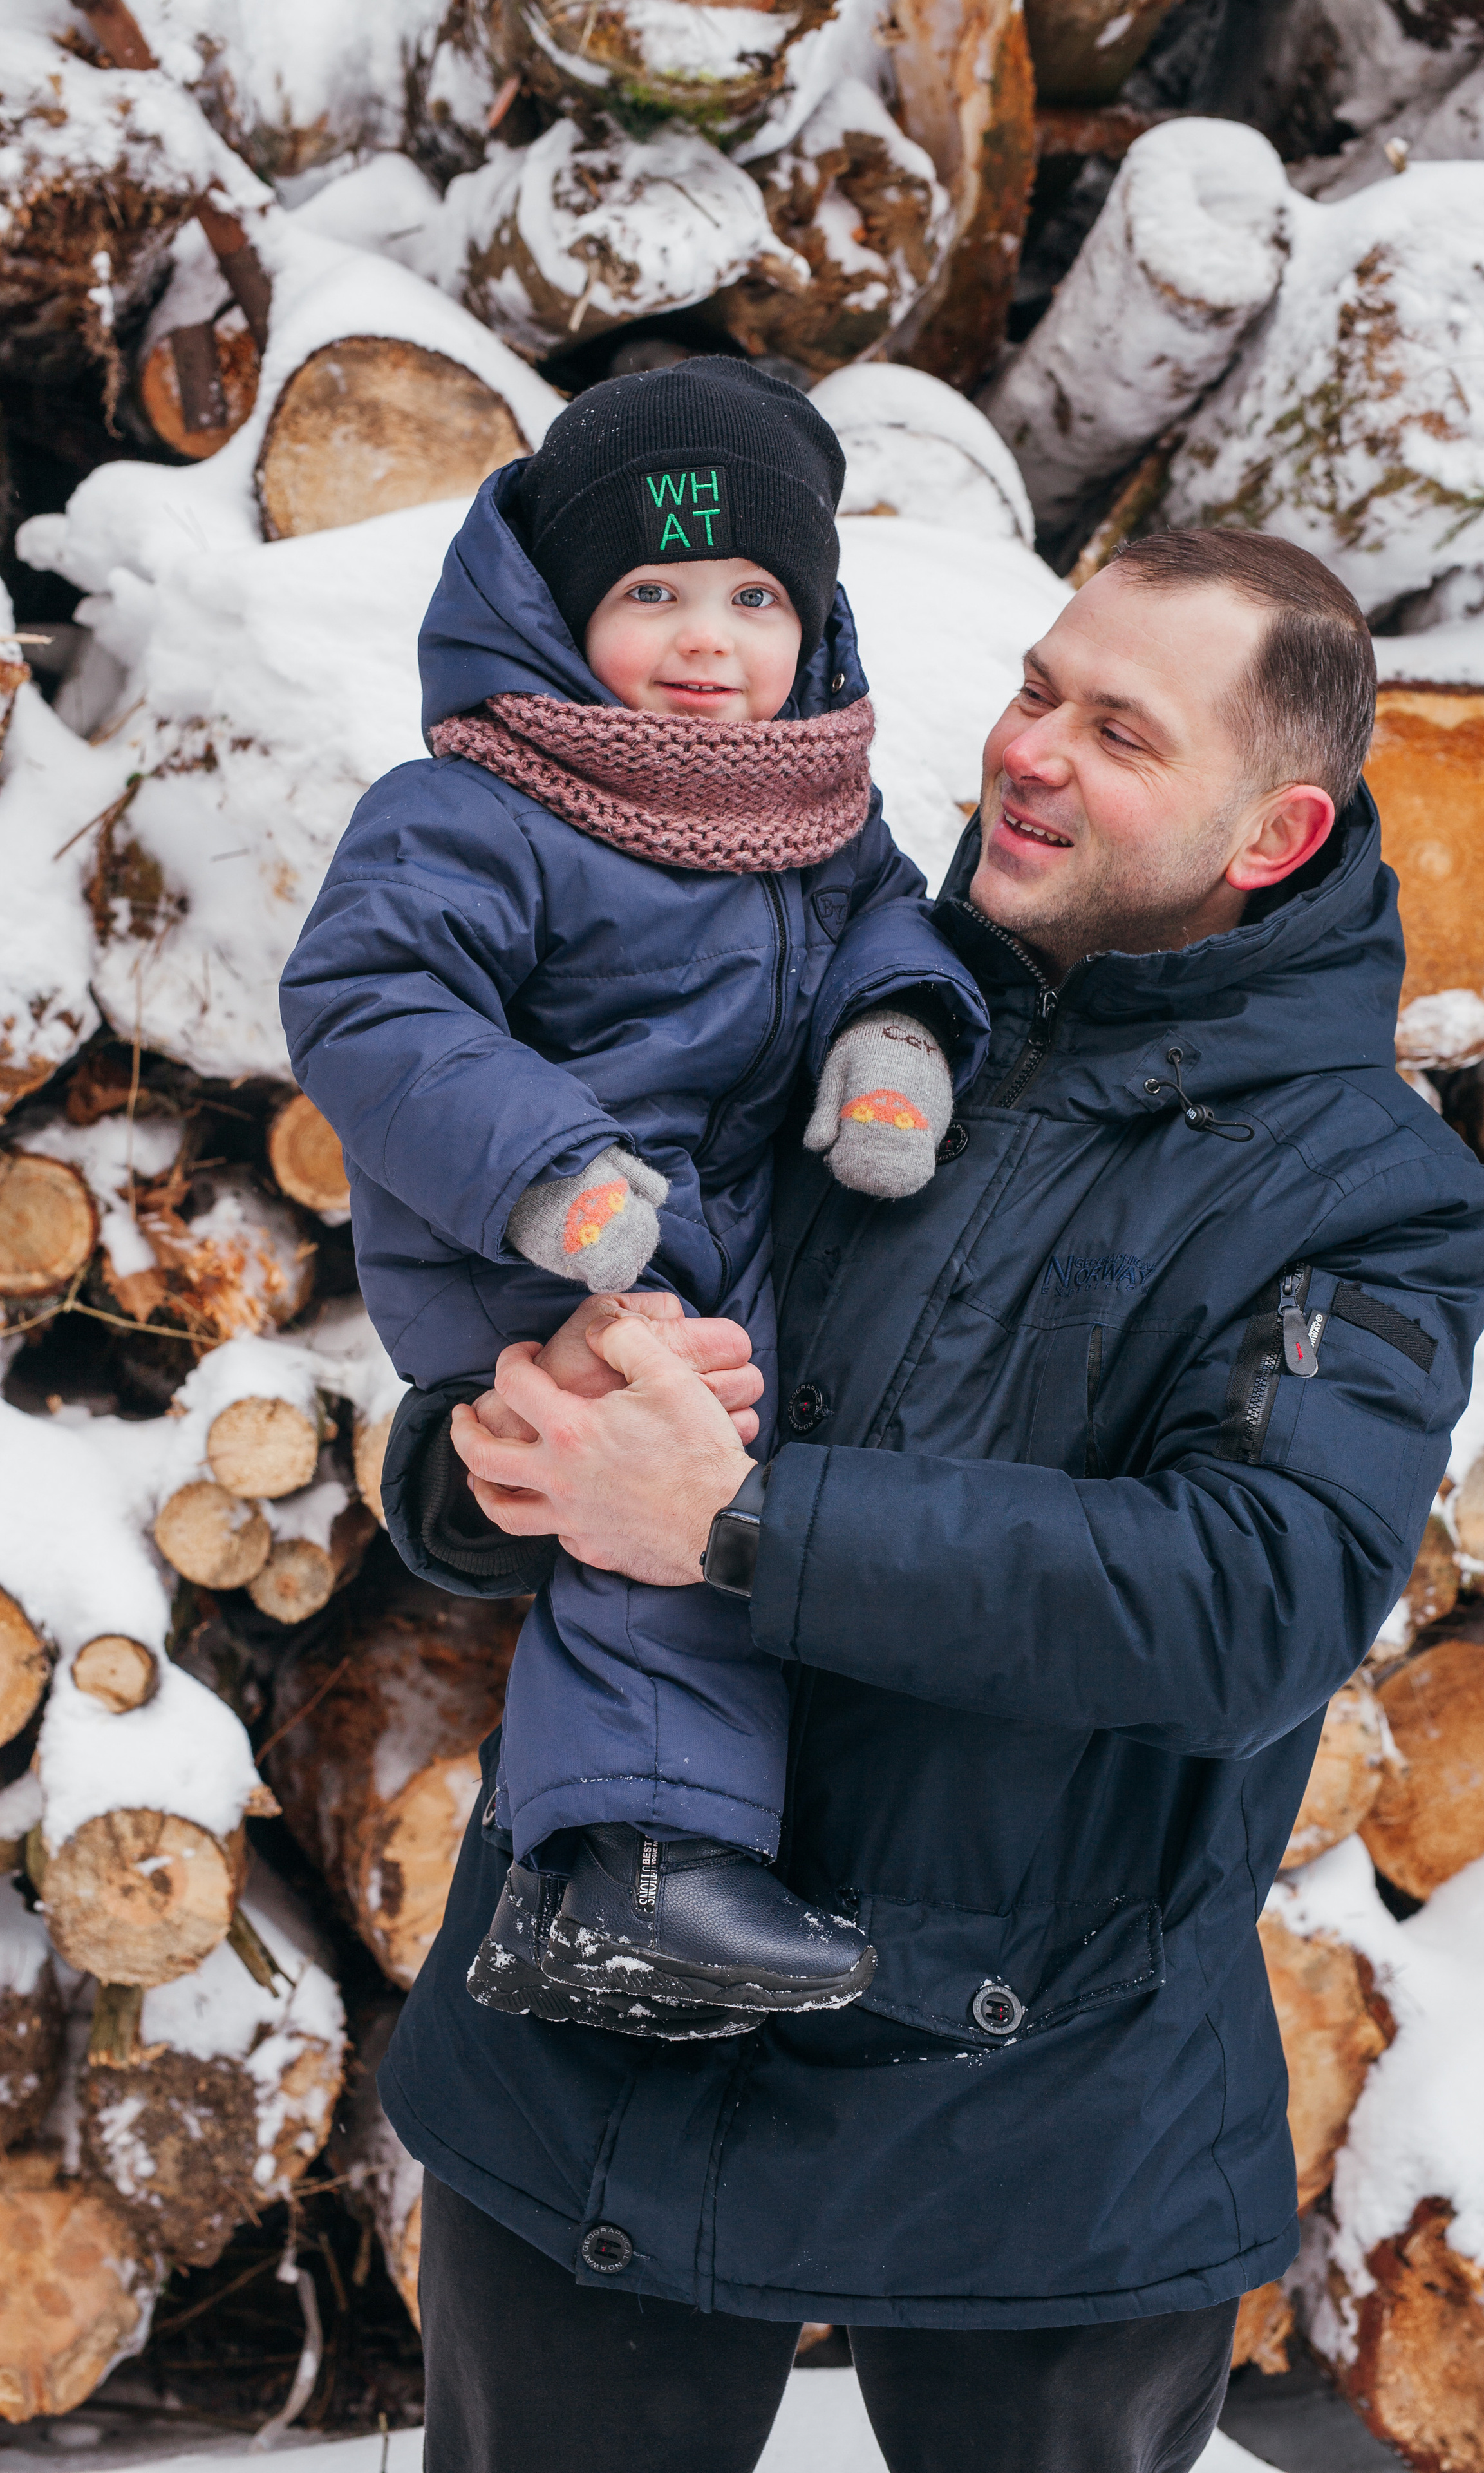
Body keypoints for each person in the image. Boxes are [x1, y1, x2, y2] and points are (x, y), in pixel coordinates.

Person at [380, 529, 1484, 2473]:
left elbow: (1250, 1604)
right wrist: (487, 1464)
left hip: (1048, 2098)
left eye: (1120, 732)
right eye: (1036, 687)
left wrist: (734, 1522)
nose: (1030, 750)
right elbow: (551, 1312)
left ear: (1272, 830)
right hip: (610, 2036)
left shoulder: (1366, 1192)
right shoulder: (819, 971)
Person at [279, 357, 989, 2036]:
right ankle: (628, 1877)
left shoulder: (816, 816)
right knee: (657, 1497)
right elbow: (371, 1006)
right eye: (652, 590)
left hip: (720, 1236)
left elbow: (888, 925)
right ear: (553, 608)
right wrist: (543, 1173)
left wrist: (895, 1047)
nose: (703, 639)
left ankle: (729, 1851)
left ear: (810, 625)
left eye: (753, 595)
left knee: (783, 1498)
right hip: (530, 1247)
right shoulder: (475, 809)